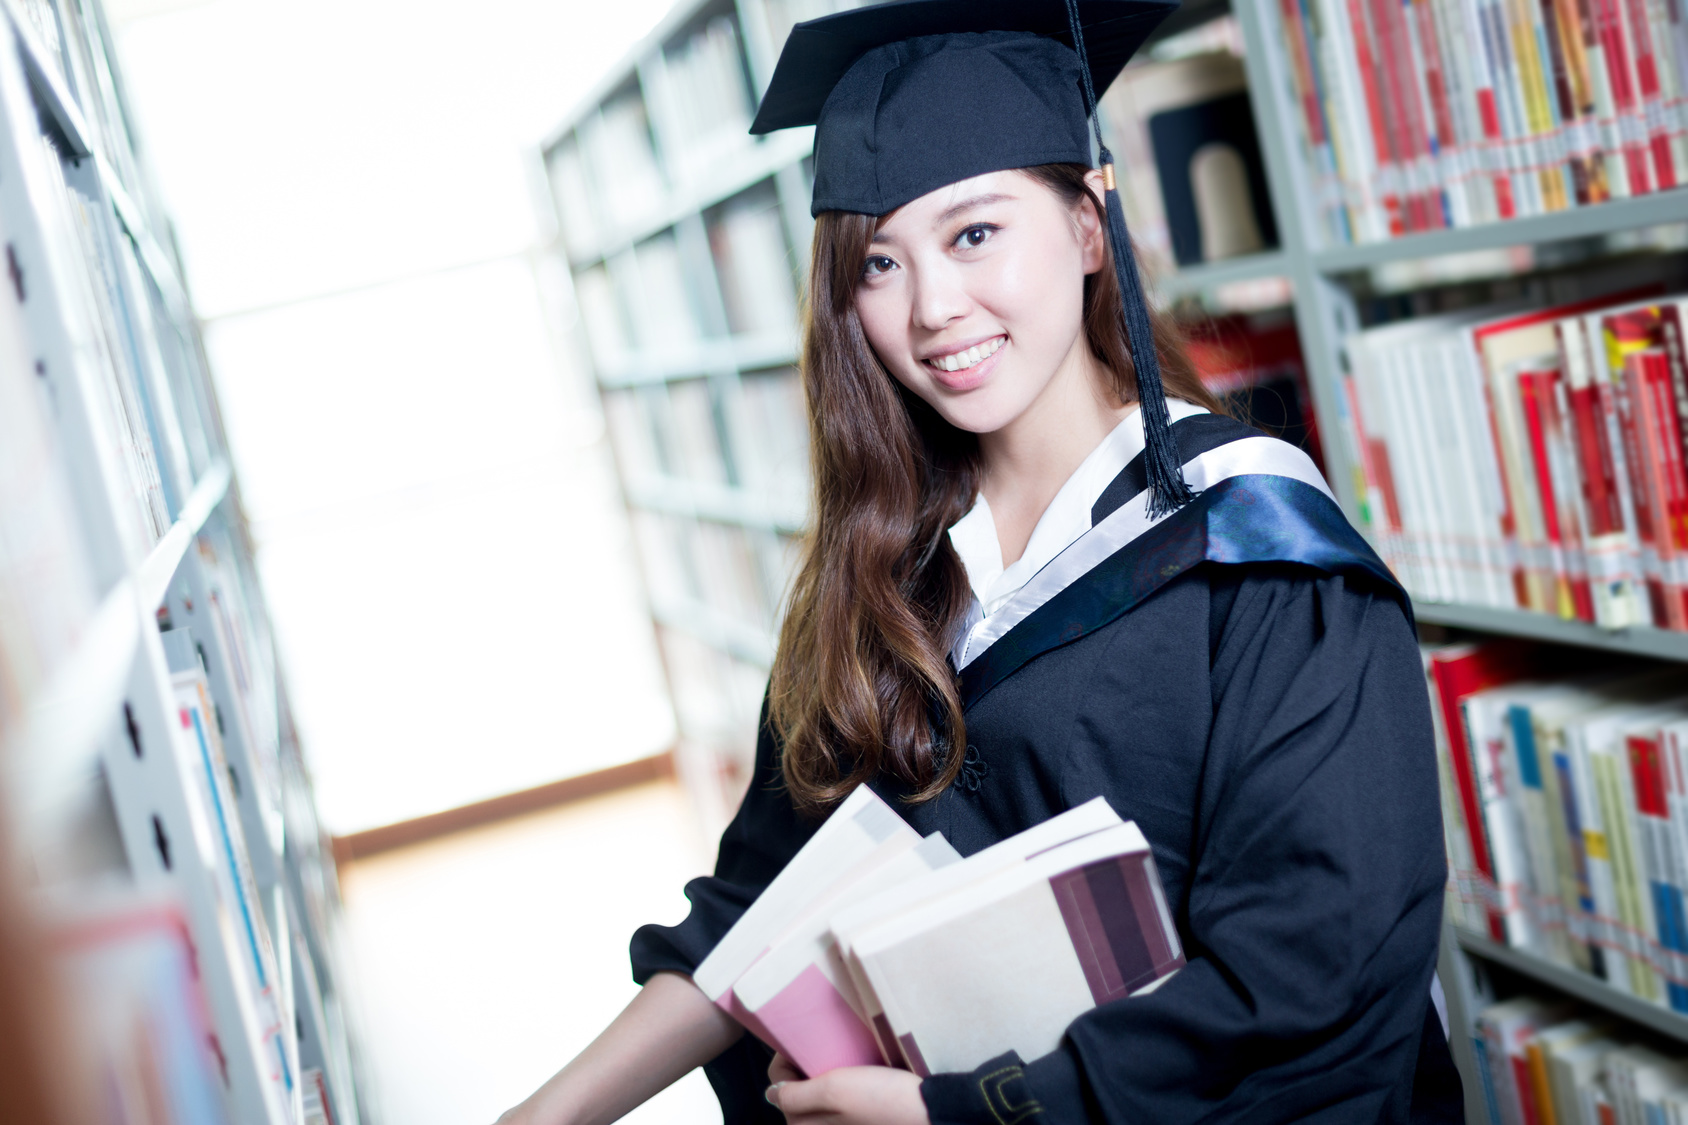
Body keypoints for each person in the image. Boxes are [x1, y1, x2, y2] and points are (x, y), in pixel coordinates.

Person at [498, 1, 1461, 1121]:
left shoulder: (1260, 555)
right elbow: (763, 898)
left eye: (973, 233)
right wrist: (543, 1116)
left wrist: (951, 1112)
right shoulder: (883, 565)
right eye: (877, 265)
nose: (932, 309)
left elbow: (1311, 978)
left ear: (1089, 227)